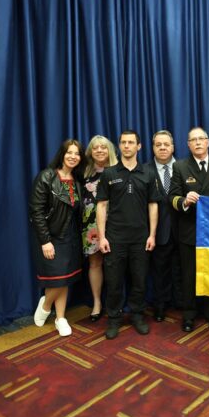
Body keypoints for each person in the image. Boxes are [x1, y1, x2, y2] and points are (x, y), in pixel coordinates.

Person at [96, 130, 160, 339]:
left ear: (139, 146)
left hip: (141, 239)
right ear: (119, 146)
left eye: (131, 142)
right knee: (114, 282)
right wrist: (102, 236)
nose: (126, 146)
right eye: (123, 142)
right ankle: (114, 318)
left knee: (140, 281)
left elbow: (153, 205)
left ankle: (137, 315)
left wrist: (152, 235)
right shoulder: (109, 173)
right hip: (114, 238)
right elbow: (102, 206)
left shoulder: (148, 173)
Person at [169, 127, 209, 332]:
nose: (198, 142)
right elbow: (171, 197)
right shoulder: (180, 166)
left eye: (202, 139)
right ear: (188, 144)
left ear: (208, 142)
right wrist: (184, 200)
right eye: (194, 139)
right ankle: (189, 314)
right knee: (189, 274)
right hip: (189, 229)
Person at [29, 139, 85, 337]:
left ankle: (61, 318)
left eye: (77, 154)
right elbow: (36, 211)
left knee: (66, 279)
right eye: (69, 152)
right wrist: (45, 240)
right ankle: (45, 306)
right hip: (52, 237)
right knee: (58, 279)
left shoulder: (77, 182)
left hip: (71, 237)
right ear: (62, 154)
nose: (73, 156)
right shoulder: (47, 176)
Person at [145, 130, 180, 322]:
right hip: (158, 232)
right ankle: (160, 306)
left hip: (183, 231)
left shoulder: (184, 167)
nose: (163, 148)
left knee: (182, 270)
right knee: (159, 271)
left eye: (166, 144)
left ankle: (182, 304)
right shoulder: (144, 170)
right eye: (158, 145)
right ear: (153, 148)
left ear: (173, 147)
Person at [82, 135, 118, 322]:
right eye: (95, 148)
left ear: (109, 150)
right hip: (91, 226)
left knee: (116, 265)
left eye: (103, 147)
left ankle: (116, 303)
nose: (99, 151)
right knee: (95, 264)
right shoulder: (84, 172)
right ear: (90, 151)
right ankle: (97, 303)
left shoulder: (118, 170)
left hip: (115, 224)